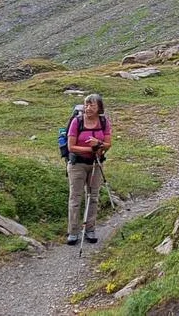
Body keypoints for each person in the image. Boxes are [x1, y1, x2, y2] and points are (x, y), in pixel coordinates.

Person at [66, 93, 112, 245]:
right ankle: (73, 232)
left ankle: (90, 229)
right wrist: (90, 148)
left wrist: (97, 143)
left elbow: (108, 144)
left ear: (99, 107)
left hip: (96, 164)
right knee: (75, 198)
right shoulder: (76, 122)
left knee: (93, 197)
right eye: (86, 105)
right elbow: (71, 147)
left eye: (92, 105)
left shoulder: (104, 122)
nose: (88, 108)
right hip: (77, 165)